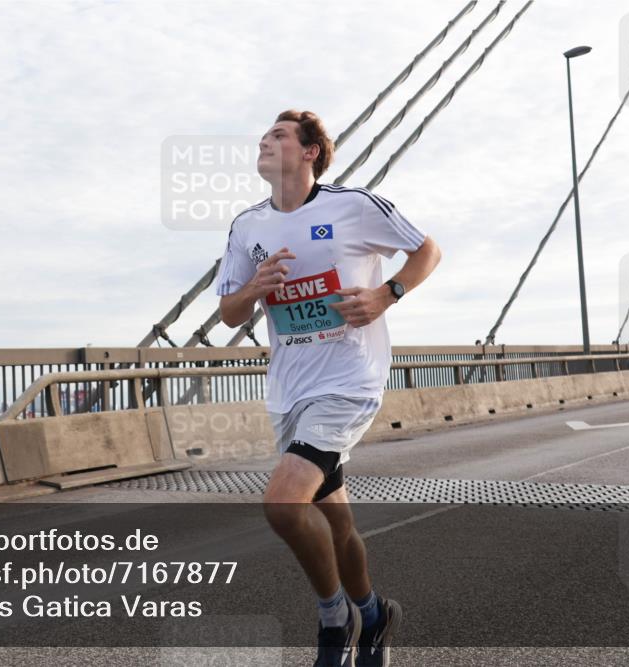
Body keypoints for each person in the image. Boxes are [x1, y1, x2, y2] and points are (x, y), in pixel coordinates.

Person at [215, 110, 441, 666]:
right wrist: (255, 287)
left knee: (283, 504)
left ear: (310, 151)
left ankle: (335, 618)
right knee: (337, 526)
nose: (265, 141)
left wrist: (386, 294)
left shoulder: (353, 206)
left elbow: (427, 251)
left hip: (348, 380)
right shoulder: (248, 227)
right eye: (263, 135)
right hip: (290, 390)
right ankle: (374, 613)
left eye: (278, 135)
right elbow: (228, 313)